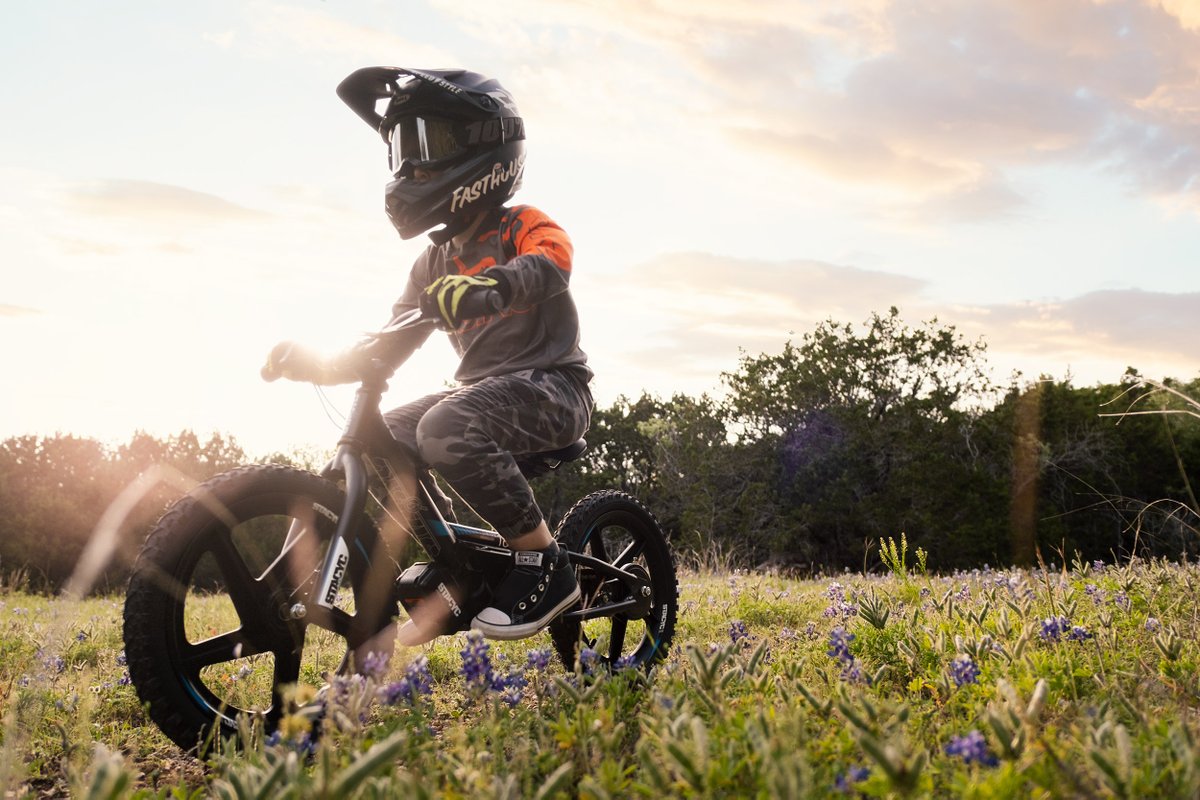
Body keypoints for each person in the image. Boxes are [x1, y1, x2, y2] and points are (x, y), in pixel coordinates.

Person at [264, 66, 592, 641]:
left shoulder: (521, 225)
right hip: (480, 397)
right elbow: (388, 342)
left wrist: (494, 285)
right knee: (384, 435)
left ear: (488, 149)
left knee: (444, 424)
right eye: (401, 149)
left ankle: (545, 563)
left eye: (428, 144)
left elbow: (553, 259)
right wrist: (319, 362)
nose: (411, 166)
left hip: (554, 389)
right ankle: (454, 555)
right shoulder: (431, 263)